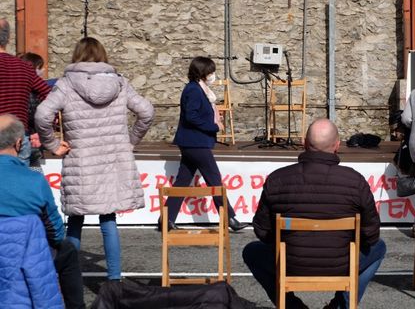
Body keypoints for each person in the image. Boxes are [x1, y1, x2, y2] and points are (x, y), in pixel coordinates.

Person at [35, 37, 155, 281]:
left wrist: (53, 145)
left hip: (81, 162)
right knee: (108, 220)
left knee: (76, 219)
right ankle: (114, 281)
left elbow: (42, 114)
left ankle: (68, 278)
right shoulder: (120, 83)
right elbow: (147, 112)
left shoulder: (66, 84)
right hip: (112, 161)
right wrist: (130, 141)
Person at [243, 119, 386, 309]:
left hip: (290, 263)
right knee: (380, 248)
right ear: (337, 145)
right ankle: (340, 306)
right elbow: (371, 234)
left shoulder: (277, 179)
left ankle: (292, 306)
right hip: (341, 264)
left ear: (304, 143)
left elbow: (262, 231)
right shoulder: (355, 181)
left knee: (251, 252)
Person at [0, 114, 85, 308]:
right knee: (68, 251)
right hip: (22, 253)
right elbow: (55, 231)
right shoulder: (34, 181)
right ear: (19, 143)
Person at [164, 56, 245, 232]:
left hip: (192, 142)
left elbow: (196, 114)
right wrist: (214, 125)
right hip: (195, 142)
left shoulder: (198, 89)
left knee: (182, 181)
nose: (212, 75)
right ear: (203, 72)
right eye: (211, 71)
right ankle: (229, 218)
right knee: (214, 180)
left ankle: (166, 219)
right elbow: (191, 116)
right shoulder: (194, 90)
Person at [0, 19, 51, 166]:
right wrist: (43, 129)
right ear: (8, 38)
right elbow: (50, 96)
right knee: (17, 186)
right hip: (17, 140)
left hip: (17, 139)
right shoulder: (24, 67)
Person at [18, 52, 51, 170]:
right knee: (33, 167)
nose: (43, 70)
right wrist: (34, 132)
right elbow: (32, 113)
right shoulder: (33, 91)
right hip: (31, 136)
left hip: (26, 135)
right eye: (40, 67)